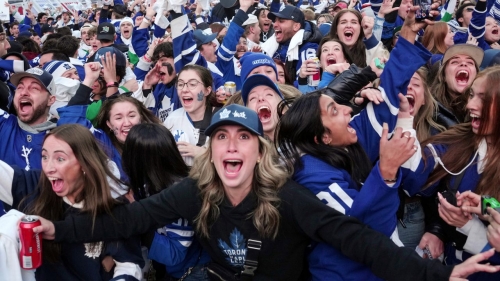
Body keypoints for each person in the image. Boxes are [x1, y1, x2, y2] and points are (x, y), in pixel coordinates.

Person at [33, 104, 500, 281]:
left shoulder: (289, 199)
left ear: (258, 152)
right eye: (220, 137)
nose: (231, 144)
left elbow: (358, 240)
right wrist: (59, 227)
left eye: (242, 137)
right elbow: (129, 219)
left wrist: (438, 277)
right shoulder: (196, 191)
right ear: (211, 151)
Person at [0, 124, 143, 280]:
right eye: (44, 156)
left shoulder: (114, 209)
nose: (49, 168)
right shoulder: (40, 187)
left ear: (84, 164)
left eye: (60, 159)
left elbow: (128, 266)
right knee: (10, 223)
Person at [404, 66, 500, 281]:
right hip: (450, 266)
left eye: (483, 99)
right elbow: (413, 177)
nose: (470, 105)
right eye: (472, 95)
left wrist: (468, 226)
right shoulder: (460, 140)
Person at [122, 123, 210, 280]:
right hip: (175, 269)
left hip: (193, 272)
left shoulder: (179, 195)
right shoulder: (148, 184)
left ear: (134, 160)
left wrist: (137, 217)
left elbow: (174, 254)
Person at [164, 65, 219, 166]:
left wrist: (203, 153)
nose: (184, 89)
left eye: (192, 84)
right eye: (180, 84)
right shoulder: (172, 119)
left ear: (207, 90)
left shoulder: (221, 118)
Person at [261, 5, 322, 81]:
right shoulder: (271, 45)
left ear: (296, 26)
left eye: (281, 21)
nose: (275, 25)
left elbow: (309, 85)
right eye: (275, 21)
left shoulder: (309, 48)